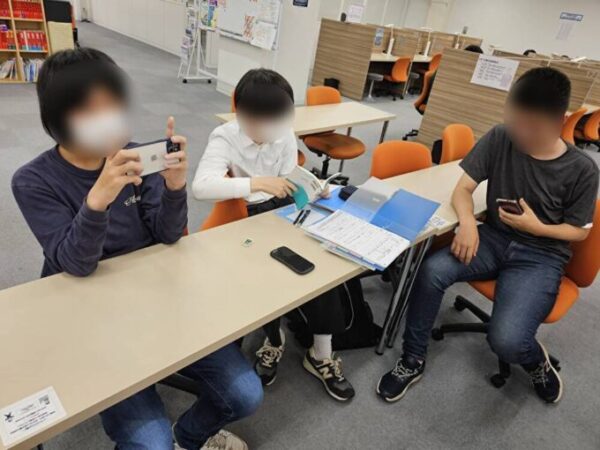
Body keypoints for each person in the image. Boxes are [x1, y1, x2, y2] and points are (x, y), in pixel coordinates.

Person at [12, 48, 262, 450]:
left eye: (114, 104)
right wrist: (98, 199)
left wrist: (174, 187)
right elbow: (76, 264)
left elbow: (168, 234)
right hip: (89, 315)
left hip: (155, 297)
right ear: (59, 117)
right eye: (91, 110)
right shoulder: (33, 180)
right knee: (149, 442)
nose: (108, 119)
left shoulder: (138, 157)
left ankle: (188, 438)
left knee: (245, 394)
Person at [377, 67, 599, 404]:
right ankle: (413, 358)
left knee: (507, 341)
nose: (521, 134)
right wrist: (467, 223)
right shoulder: (501, 137)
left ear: (560, 122)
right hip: (493, 238)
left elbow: (579, 232)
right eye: (516, 122)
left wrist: (536, 228)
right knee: (432, 271)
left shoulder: (582, 169)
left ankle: (535, 361)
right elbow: (463, 189)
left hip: (541, 256)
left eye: (533, 128)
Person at [193, 68, 355, 402]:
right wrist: (255, 183)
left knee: (322, 264)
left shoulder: (283, 131)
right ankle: (274, 339)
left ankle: (321, 353)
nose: (272, 127)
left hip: (281, 208)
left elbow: (289, 175)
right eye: (263, 120)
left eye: (278, 118)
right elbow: (201, 187)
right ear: (242, 116)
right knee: (266, 277)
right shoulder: (225, 137)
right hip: (244, 214)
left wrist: (313, 187)